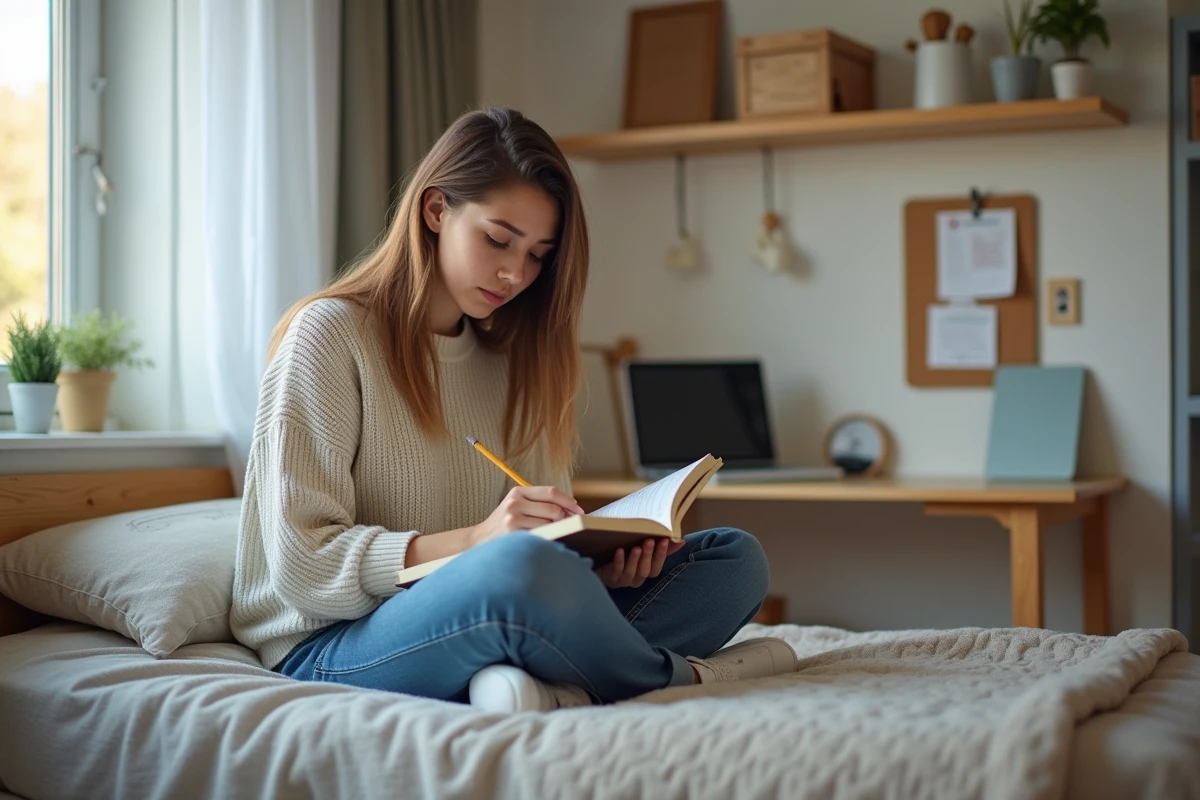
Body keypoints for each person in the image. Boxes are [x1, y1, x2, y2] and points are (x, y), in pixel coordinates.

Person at [230, 107, 797, 713]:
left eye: (537, 255)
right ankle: (673, 677)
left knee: (734, 559)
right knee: (509, 572)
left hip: (498, 609)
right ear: (435, 210)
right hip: (334, 643)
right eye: (498, 239)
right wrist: (478, 542)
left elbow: (542, 555)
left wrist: (601, 574)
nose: (514, 273)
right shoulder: (329, 336)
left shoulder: (513, 362)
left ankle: (556, 681)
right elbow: (304, 566)